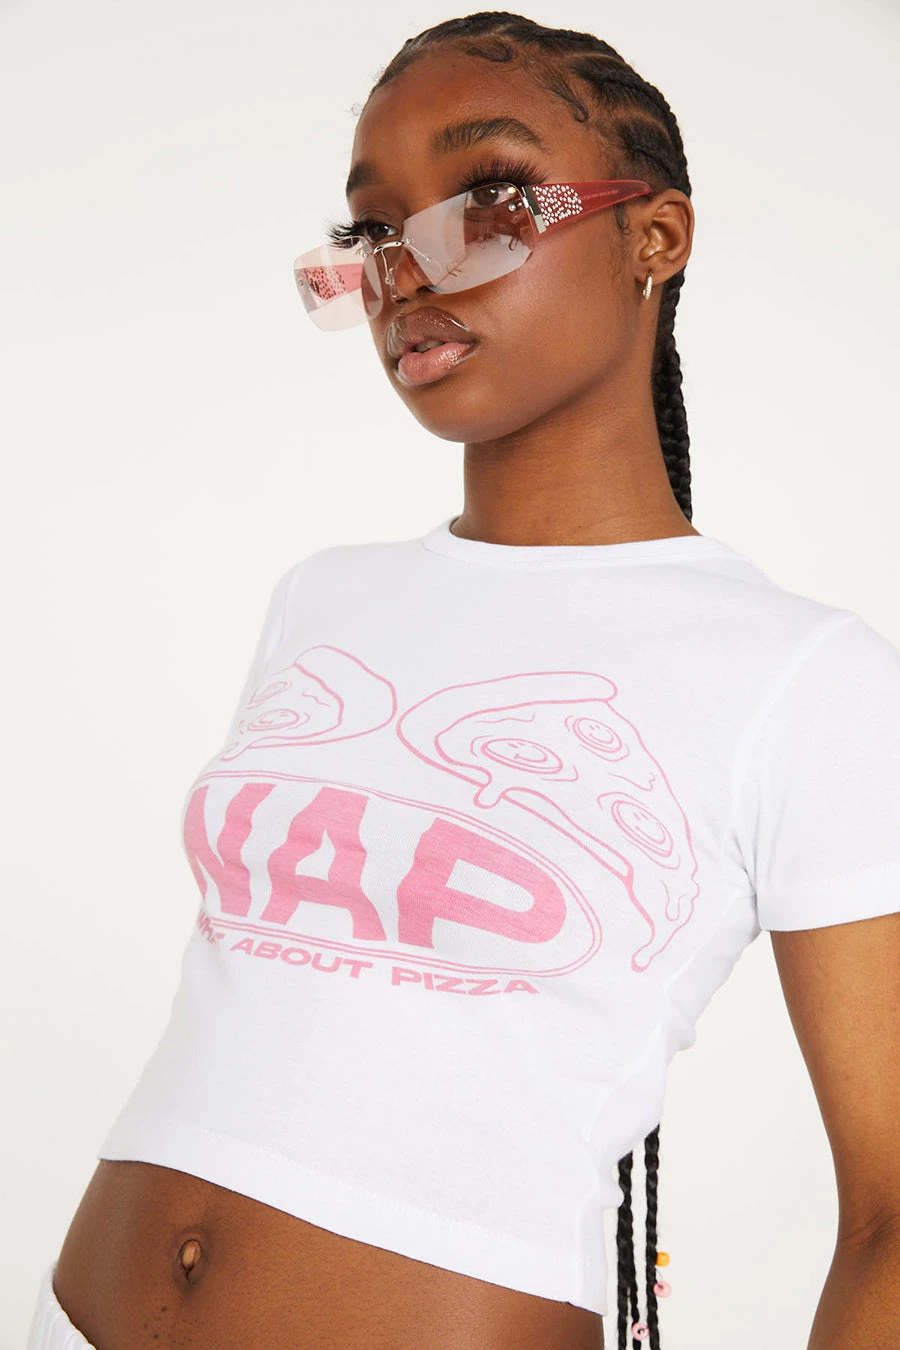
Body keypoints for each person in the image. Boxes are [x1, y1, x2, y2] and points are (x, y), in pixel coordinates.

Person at [29, 11, 900, 1350]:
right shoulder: (323, 598)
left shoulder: (804, 677)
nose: (409, 273)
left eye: (488, 201)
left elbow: (891, 1210)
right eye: (376, 230)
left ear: (655, 237)